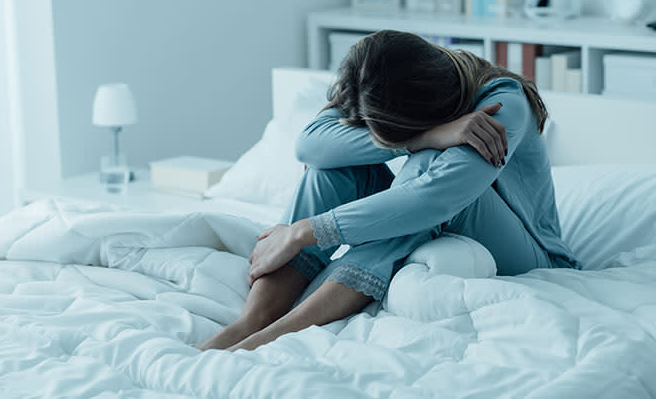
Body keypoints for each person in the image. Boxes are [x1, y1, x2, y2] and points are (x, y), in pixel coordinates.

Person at [197, 30, 579, 352]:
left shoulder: (502, 103)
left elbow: (434, 198)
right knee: (331, 173)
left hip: (532, 256)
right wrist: (423, 137)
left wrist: (303, 231)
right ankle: (251, 321)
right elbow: (310, 145)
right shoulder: (381, 77)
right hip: (437, 188)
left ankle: (274, 336)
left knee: (424, 174)